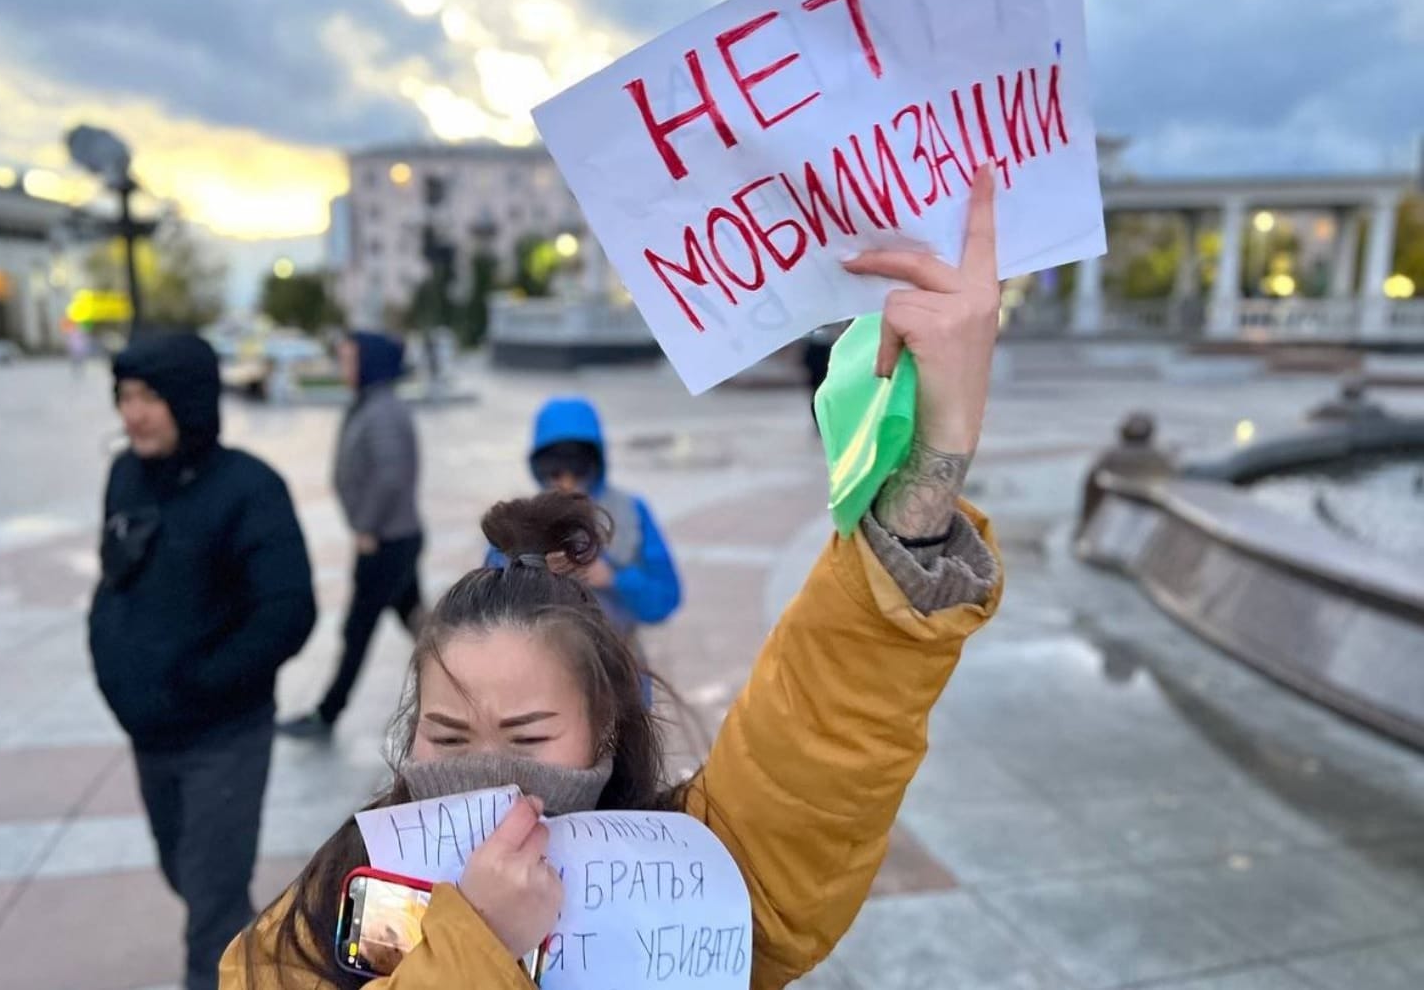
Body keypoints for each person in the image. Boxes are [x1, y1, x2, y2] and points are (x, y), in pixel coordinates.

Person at [221, 165, 1006, 989]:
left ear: (605, 730)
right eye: (447, 737)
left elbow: (821, 742)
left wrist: (927, 465)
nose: (488, 773)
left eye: (529, 738)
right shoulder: (318, 919)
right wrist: (472, 946)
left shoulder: (693, 877)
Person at [90, 332, 317, 990]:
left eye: (150, 397)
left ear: (188, 400)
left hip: (224, 733)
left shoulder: (249, 489)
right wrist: (110, 657)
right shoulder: (125, 475)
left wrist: (199, 682)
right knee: (187, 879)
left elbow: (286, 612)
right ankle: (259, 969)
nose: (133, 413)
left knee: (211, 907)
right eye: (125, 396)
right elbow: (116, 581)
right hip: (149, 733)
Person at [280, 332, 423, 740]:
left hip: (385, 541)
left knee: (357, 631)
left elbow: (392, 477)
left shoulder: (382, 412)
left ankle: (327, 712)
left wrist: (367, 527)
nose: (342, 367)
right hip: (394, 537)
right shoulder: (373, 403)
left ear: (370, 362)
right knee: (418, 621)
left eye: (348, 358)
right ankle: (470, 681)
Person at [488, 396, 681, 692]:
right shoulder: (521, 522)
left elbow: (664, 599)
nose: (566, 482)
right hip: (542, 678)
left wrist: (616, 578)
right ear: (539, 468)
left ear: (595, 463)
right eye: (555, 471)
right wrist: (531, 572)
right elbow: (489, 606)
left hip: (619, 674)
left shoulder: (630, 512)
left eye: (578, 470)